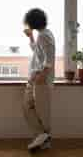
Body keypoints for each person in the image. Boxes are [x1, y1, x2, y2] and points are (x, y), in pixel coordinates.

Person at [22, 8, 55, 152]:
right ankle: (43, 138)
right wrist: (30, 37)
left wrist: (40, 78)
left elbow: (49, 60)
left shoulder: (45, 36)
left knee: (39, 112)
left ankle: (43, 137)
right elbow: (38, 52)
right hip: (36, 79)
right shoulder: (43, 34)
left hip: (40, 80)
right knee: (29, 108)